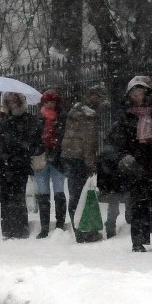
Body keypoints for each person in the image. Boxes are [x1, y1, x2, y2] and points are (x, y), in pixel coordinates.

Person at [110, 76, 152, 252]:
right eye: (134, 92)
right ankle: (138, 241)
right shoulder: (126, 116)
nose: (137, 95)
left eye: (140, 91)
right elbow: (118, 140)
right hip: (136, 160)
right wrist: (124, 156)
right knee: (138, 202)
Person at [61, 87, 103, 242]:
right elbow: (88, 141)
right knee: (82, 196)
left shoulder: (74, 111)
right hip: (80, 159)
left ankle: (78, 229)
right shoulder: (88, 115)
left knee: (75, 196)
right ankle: (84, 231)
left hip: (70, 157)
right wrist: (90, 163)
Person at [0, 92, 37, 239]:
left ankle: (20, 228)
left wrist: (17, 146)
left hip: (20, 162)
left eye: (14, 101)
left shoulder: (27, 119)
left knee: (18, 195)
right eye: (9, 101)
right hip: (5, 163)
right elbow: (0, 140)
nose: (12, 104)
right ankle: (7, 229)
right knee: (6, 196)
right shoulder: (3, 120)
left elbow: (29, 140)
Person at [33, 89, 67, 238]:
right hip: (42, 158)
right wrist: (40, 149)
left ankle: (59, 224)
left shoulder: (61, 119)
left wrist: (55, 150)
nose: (50, 104)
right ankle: (45, 226)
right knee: (43, 194)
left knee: (59, 192)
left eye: (52, 101)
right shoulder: (38, 119)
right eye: (47, 101)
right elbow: (33, 138)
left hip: (57, 159)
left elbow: (65, 139)